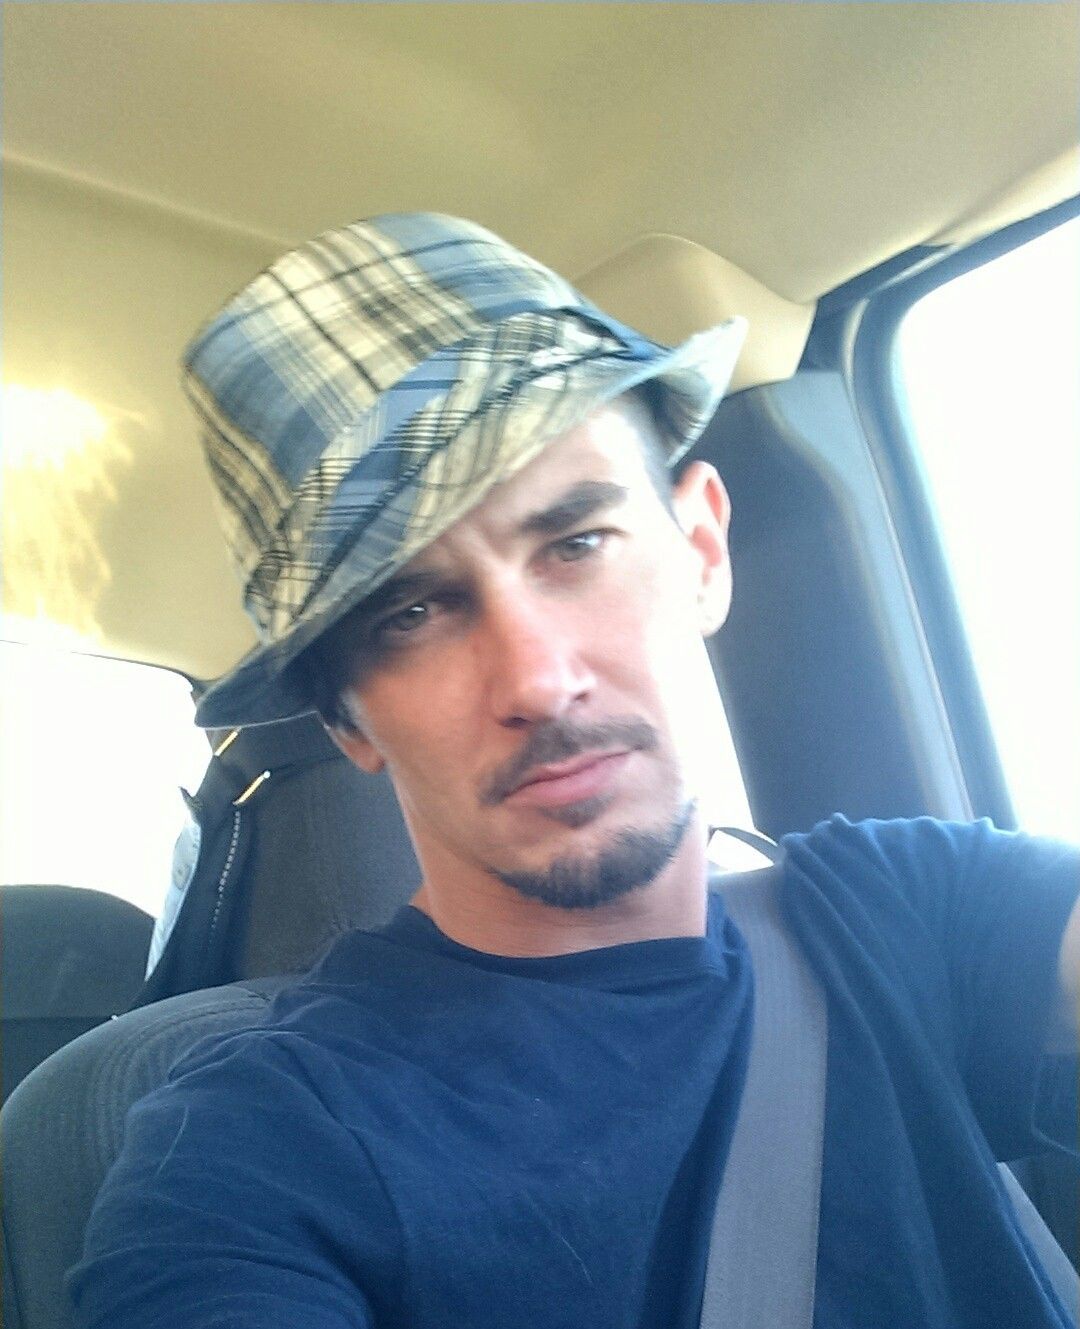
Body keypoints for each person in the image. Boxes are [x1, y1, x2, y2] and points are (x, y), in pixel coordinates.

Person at [69, 213, 1080, 1328]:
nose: (540, 680)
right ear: (346, 719)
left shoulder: (908, 911)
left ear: (701, 550)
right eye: (412, 612)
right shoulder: (255, 1151)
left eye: (576, 544)